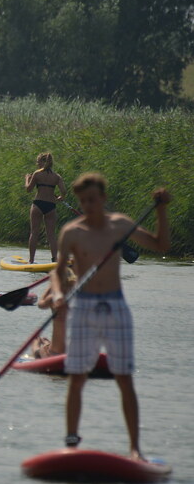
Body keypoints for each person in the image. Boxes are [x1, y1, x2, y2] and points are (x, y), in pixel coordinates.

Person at [51, 174, 170, 460]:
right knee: (77, 377)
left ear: (103, 198)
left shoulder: (120, 225)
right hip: (84, 307)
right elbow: (57, 272)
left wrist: (162, 211)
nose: (88, 205)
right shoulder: (72, 231)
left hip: (116, 307)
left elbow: (160, 246)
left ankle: (134, 449)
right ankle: (71, 443)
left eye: (92, 200)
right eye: (82, 201)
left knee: (124, 379)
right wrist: (57, 294)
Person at [25, 152, 67, 263]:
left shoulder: (37, 174)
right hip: (50, 206)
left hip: (38, 204)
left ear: (43, 162)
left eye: (38, 162)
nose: (37, 164)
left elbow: (28, 189)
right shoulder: (57, 177)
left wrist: (27, 179)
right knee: (51, 235)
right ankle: (55, 259)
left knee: (34, 232)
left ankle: (31, 260)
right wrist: (61, 197)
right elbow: (64, 191)